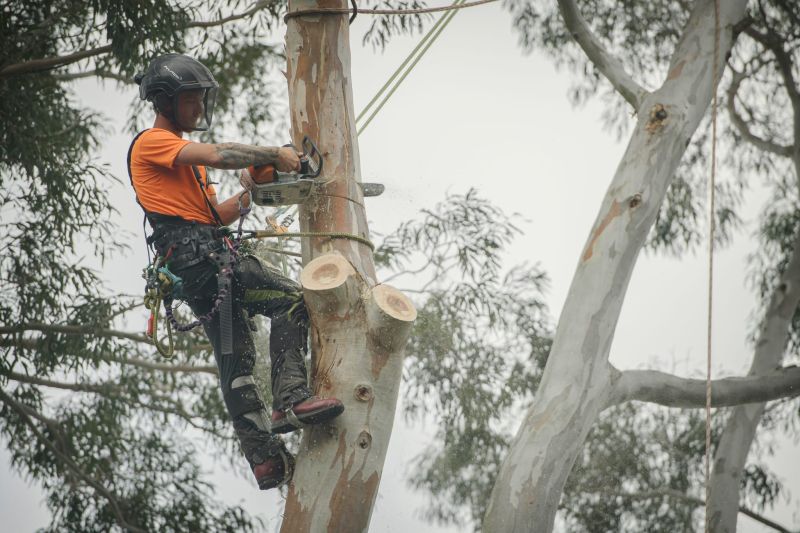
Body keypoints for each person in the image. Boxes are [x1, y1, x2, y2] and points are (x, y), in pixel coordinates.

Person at [127, 53, 344, 490]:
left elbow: (213, 216)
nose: (198, 108)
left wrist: (253, 190)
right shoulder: (154, 142)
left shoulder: (186, 162)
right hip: (206, 261)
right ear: (166, 102)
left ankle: (265, 459)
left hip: (198, 268)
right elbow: (222, 152)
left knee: (236, 359)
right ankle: (290, 400)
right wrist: (274, 154)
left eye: (200, 99)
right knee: (294, 300)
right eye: (191, 100)